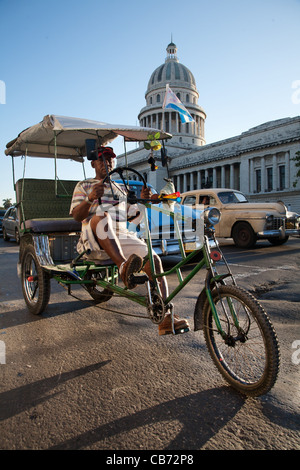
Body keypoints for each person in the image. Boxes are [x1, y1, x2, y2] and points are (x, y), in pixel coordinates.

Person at [70, 146, 189, 336]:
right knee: (101, 217)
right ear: (93, 163)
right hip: (93, 235)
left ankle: (164, 316)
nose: (107, 163)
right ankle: (123, 267)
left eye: (110, 159)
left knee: (154, 261)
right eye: (102, 159)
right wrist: (91, 198)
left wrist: (142, 201)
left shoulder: (120, 187)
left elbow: (133, 217)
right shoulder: (84, 185)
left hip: (121, 234)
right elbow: (76, 215)